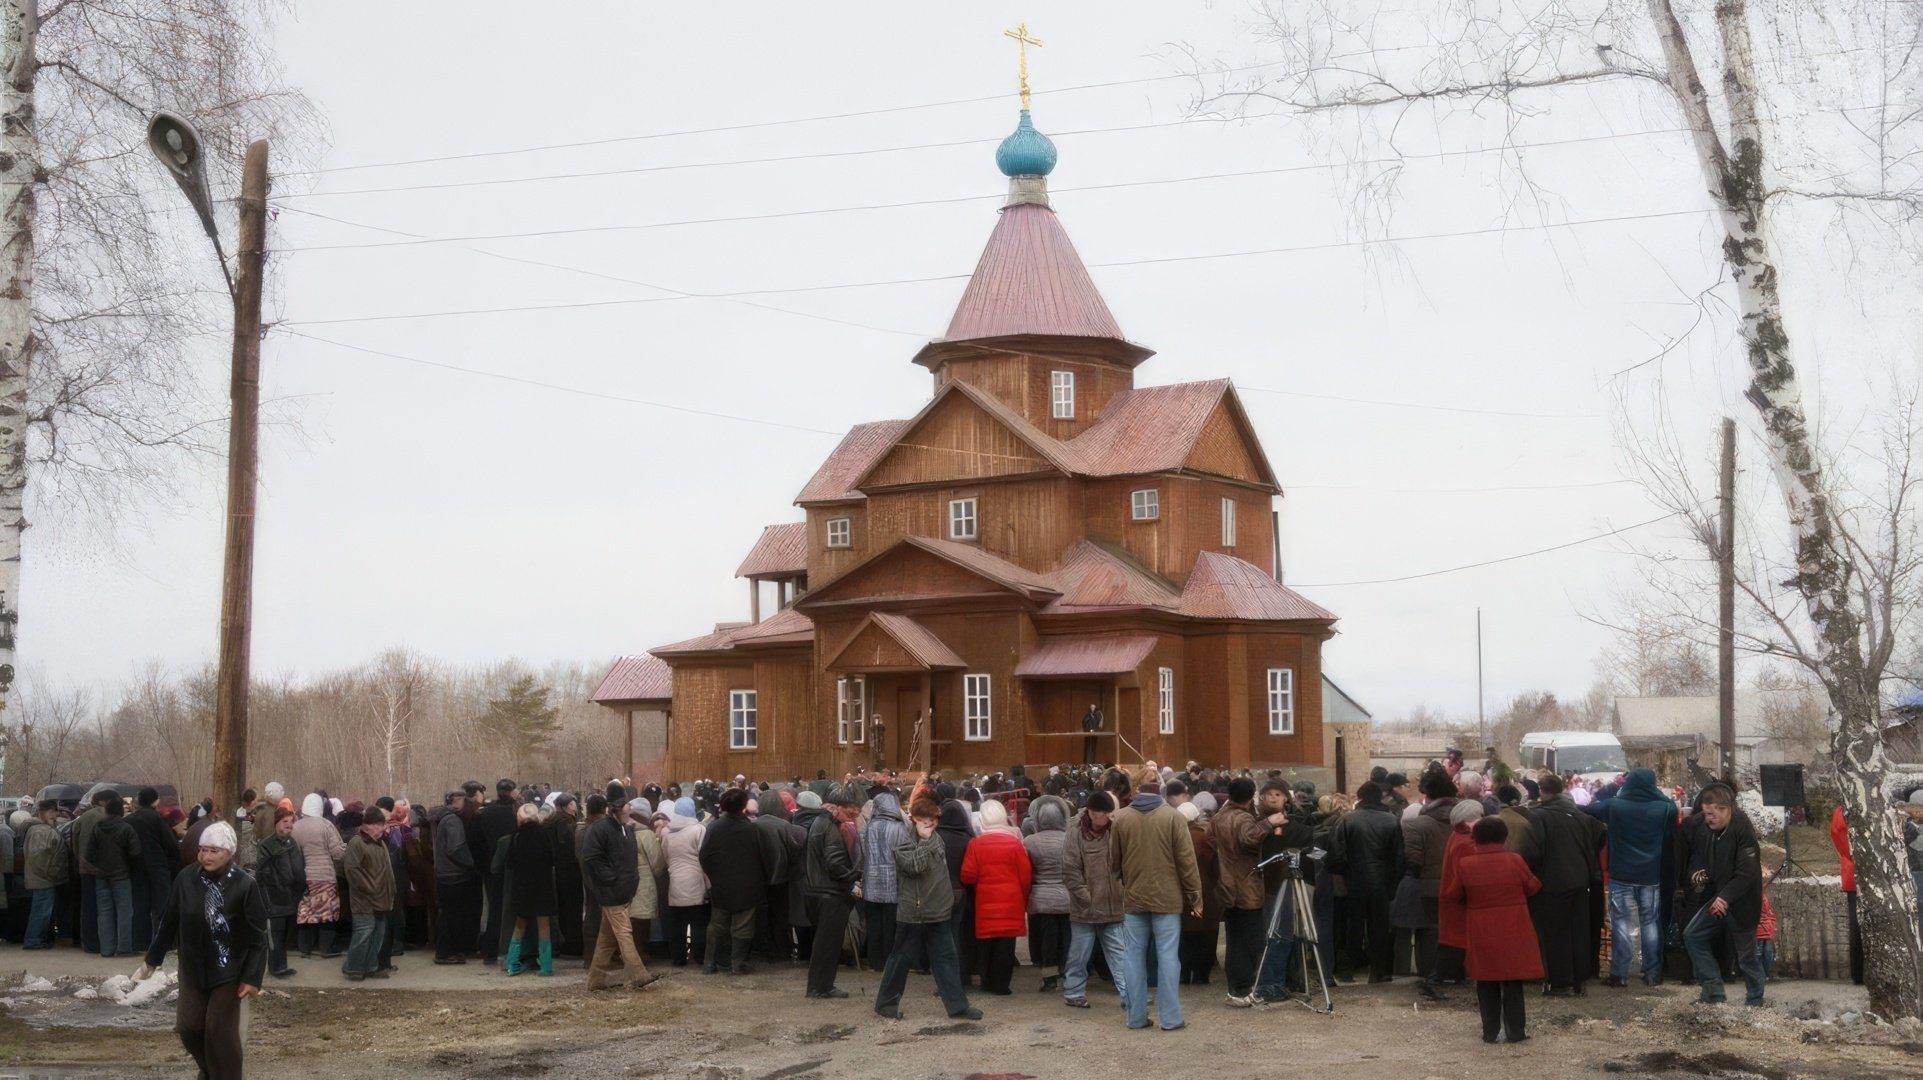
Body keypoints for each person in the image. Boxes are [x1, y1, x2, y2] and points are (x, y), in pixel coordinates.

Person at [139, 821, 267, 1080]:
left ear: (229, 852)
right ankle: (210, 1071)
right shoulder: (186, 878)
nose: (206, 856)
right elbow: (170, 920)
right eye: (203, 850)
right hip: (193, 967)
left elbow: (258, 936)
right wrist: (153, 959)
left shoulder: (244, 885)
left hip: (228, 970)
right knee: (189, 1029)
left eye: (213, 851)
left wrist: (252, 978)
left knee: (219, 1031)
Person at [1111, 766, 1202, 1031]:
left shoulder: (1120, 818)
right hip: (1167, 898)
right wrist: (1195, 896)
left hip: (1134, 897)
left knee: (1132, 957)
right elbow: (1187, 863)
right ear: (1160, 787)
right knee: (1168, 957)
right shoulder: (1173, 818)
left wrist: (1123, 883)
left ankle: (1136, 1016)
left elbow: (1113, 863)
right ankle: (1171, 1018)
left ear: (1136, 787)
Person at [874, 797, 981, 1021]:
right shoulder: (905, 843)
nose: (929, 823)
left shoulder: (938, 839)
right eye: (924, 819)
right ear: (914, 819)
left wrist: (948, 901)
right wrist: (924, 842)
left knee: (946, 959)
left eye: (932, 819)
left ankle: (957, 1006)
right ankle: (886, 1003)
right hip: (914, 912)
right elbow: (914, 867)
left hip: (939, 910)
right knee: (900, 958)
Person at [1444, 816, 1543, 1044]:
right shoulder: (1514, 860)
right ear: (1504, 837)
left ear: (1475, 838)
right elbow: (1533, 886)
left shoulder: (1466, 864)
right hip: (1514, 924)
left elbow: (1453, 895)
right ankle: (1516, 1031)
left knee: (1486, 979)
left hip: (1481, 925)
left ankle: (1490, 1032)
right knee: (1512, 980)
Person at [1584, 767, 1676, 987]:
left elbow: (1588, 810)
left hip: (1621, 875)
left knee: (1622, 925)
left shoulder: (1614, 806)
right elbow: (1672, 818)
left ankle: (1620, 974)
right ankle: (1653, 973)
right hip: (1651, 875)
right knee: (1651, 924)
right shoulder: (1664, 808)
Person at [1678, 784, 1765, 1006]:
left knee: (1746, 956)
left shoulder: (1742, 830)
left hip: (1742, 902)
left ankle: (1755, 1000)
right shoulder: (1706, 828)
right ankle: (1713, 992)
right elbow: (1703, 857)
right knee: (1693, 934)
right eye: (1707, 813)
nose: (1709, 818)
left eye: (1713, 813)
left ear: (1727, 809)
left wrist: (1725, 897)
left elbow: (1748, 872)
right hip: (1717, 898)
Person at [1520, 773, 1604, 995]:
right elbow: (1599, 835)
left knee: (1555, 933)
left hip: (1552, 881)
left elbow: (1531, 851)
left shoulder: (1539, 816)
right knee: (1578, 931)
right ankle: (1579, 980)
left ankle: (1559, 982)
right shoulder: (1580, 815)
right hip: (1580, 880)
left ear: (1542, 792)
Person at [1326, 780, 1403, 985]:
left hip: (1354, 880)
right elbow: (1398, 857)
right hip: (1381, 881)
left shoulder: (1347, 820)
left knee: (1352, 926)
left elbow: (1336, 855)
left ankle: (1346, 970)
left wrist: (1343, 874)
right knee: (1379, 927)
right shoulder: (1392, 820)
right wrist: (1392, 884)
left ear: (1359, 798)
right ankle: (1379, 971)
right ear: (1380, 798)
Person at [581, 792, 657, 990]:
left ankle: (596, 979)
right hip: (611, 891)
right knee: (624, 932)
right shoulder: (601, 829)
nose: (629, 809)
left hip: (622, 890)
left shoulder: (624, 829)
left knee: (606, 938)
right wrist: (611, 879)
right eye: (626, 806)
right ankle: (638, 973)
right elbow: (592, 859)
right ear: (615, 808)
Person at [1061, 789, 1128, 1008]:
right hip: (1085, 908)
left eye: (1110, 813)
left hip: (1113, 904)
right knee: (1079, 954)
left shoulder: (1117, 829)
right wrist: (1086, 898)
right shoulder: (1074, 832)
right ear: (1090, 812)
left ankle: (1129, 993)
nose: (1107, 817)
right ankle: (1073, 991)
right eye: (1102, 813)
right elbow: (1070, 870)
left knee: (1119, 954)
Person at [961, 798, 1033, 996]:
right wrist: (1023, 899)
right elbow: (1026, 877)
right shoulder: (1015, 844)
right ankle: (1001, 985)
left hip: (985, 901)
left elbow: (968, 875)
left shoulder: (975, 844)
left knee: (985, 944)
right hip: (1011, 901)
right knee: (1006, 946)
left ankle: (986, 981)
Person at [1401, 770, 1460, 1000]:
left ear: (1426, 795)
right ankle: (1456, 971)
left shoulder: (1417, 825)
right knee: (1456, 926)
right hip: (1461, 883)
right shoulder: (1463, 819)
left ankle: (1430, 973)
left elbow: (1413, 860)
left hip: (1429, 884)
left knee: (1429, 930)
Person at [700, 787, 770, 975]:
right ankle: (738, 963)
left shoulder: (714, 827)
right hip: (748, 886)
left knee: (717, 925)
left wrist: (714, 876)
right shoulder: (751, 828)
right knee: (743, 926)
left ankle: (710, 963)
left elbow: (704, 856)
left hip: (721, 885)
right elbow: (763, 857)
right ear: (743, 806)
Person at [1210, 777, 1269, 1002]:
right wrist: (1269, 823)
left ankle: (1234, 987)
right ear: (1251, 795)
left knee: (1234, 939)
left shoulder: (1218, 817)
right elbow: (1249, 839)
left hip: (1226, 886)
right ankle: (1245, 988)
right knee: (1251, 939)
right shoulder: (1243, 818)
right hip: (1247, 887)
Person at [802, 786, 862, 998]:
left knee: (823, 943)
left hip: (819, 890)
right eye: (849, 810)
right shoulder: (829, 827)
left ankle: (819, 986)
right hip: (830, 893)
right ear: (835, 808)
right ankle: (821, 987)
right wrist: (852, 881)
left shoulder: (821, 823)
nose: (852, 814)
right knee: (828, 943)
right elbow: (834, 864)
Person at [1024, 794, 1072, 993]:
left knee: (1047, 940)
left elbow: (1026, 871)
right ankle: (1068, 973)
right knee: (1068, 937)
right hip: (1068, 897)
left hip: (1041, 898)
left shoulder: (1029, 841)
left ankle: (1049, 977)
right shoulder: (1070, 839)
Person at [85, 792, 141, 958]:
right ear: (120, 812)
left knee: (104, 912)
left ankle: (106, 949)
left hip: (101, 876)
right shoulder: (126, 828)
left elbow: (88, 854)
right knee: (124, 912)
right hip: (121, 876)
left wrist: (97, 868)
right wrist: (129, 867)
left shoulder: (97, 827)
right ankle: (124, 948)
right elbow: (136, 852)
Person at [341, 806, 393, 982]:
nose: (384, 828)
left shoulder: (380, 843)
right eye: (380, 825)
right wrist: (370, 888)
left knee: (377, 935)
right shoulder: (357, 843)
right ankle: (353, 968)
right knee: (363, 933)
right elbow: (352, 870)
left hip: (381, 898)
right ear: (369, 825)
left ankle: (371, 967)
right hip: (364, 900)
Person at [859, 788, 908, 973]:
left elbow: (862, 853)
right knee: (890, 925)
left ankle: (874, 960)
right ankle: (889, 959)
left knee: (873, 924)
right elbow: (904, 855)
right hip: (893, 884)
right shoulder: (900, 828)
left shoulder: (867, 828)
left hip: (871, 883)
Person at [505, 802, 557, 976]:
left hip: (522, 886)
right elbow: (551, 859)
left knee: (520, 925)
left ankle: (512, 963)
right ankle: (546, 965)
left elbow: (510, 862)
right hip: (543, 885)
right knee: (543, 926)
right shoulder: (544, 834)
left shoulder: (517, 836)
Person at [252, 807, 305, 978]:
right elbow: (264, 874)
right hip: (274, 898)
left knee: (285, 934)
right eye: (285, 822)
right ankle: (276, 967)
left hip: (290, 897)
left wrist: (300, 889)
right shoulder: (266, 845)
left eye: (291, 822)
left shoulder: (292, 843)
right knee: (275, 934)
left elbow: (298, 870)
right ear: (276, 823)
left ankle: (282, 964)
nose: (289, 825)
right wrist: (271, 895)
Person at [292, 793, 346, 959]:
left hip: (304, 876)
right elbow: (337, 853)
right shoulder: (326, 825)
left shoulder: (296, 827)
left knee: (306, 911)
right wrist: (346, 848)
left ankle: (305, 948)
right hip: (324, 876)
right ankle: (327, 948)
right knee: (326, 912)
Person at [472, 779, 519, 967]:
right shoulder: (515, 815)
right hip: (510, 868)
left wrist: (483, 865)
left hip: (489, 868)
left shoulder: (484, 814)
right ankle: (509, 949)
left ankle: (490, 951)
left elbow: (476, 842)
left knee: (493, 909)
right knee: (511, 910)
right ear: (513, 792)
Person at [429, 792, 478, 964]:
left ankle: (448, 950)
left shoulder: (439, 818)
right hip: (455, 874)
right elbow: (456, 848)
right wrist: (472, 863)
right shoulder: (452, 821)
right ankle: (445, 952)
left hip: (443, 872)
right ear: (457, 801)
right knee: (452, 915)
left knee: (447, 914)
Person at [128, 788, 179, 950]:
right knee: (162, 905)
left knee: (139, 906)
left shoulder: (129, 820)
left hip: (136, 867)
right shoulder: (156, 818)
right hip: (158, 867)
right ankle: (163, 942)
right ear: (155, 802)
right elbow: (170, 844)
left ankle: (139, 942)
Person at [1176, 800, 1221, 986]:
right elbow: (1215, 867)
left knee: (1183, 935)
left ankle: (1184, 973)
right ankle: (1202, 975)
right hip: (1205, 891)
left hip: (1180, 891)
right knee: (1205, 934)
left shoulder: (1175, 836)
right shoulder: (1204, 838)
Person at [628, 797, 668, 959]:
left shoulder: (622, 831)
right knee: (642, 923)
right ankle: (640, 954)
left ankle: (629, 954)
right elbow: (657, 863)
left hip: (625, 885)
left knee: (629, 923)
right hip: (644, 885)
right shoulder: (646, 835)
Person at [546, 794, 585, 959]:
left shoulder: (550, 820)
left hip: (555, 870)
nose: (575, 806)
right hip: (569, 870)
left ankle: (562, 942)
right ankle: (573, 944)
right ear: (568, 805)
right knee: (573, 908)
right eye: (573, 804)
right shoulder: (566, 822)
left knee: (561, 908)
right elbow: (570, 845)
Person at [1831, 803, 1864, 985]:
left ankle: (1858, 973)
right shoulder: (1847, 811)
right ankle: (1860, 972)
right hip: (1858, 872)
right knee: (1858, 926)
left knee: (1856, 925)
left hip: (1851, 872)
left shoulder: (1840, 812)